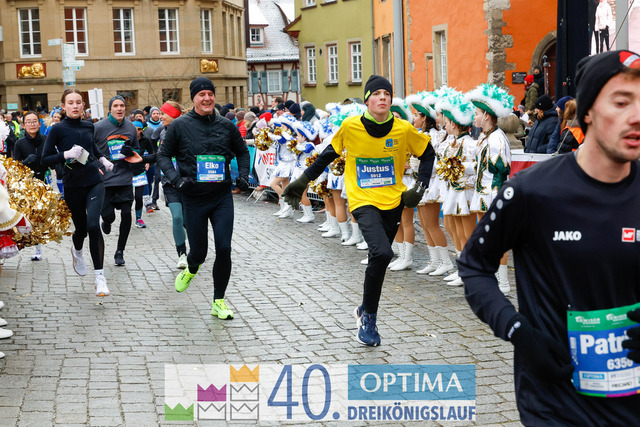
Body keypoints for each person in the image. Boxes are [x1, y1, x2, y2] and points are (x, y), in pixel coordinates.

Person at [459, 49, 640, 425]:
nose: (636, 115)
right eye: (622, 102)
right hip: (555, 403)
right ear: (587, 112)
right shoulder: (531, 191)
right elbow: (474, 266)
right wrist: (518, 330)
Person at [283, 75, 435, 346]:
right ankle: (369, 320)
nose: (382, 97)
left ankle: (364, 309)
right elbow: (328, 154)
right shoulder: (351, 126)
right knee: (383, 252)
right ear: (367, 99)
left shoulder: (402, 129)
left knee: (379, 258)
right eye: (376, 93)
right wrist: (303, 180)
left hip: (393, 200)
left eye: (386, 94)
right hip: (362, 199)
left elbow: (428, 153)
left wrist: (420, 187)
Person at [157, 77, 250, 319]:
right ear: (194, 98)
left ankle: (219, 301)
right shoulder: (180, 126)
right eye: (201, 94)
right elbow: (163, 156)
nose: (207, 98)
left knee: (224, 248)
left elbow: (242, 151)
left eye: (210, 93)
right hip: (194, 198)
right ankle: (191, 268)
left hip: (221, 197)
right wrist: (176, 180)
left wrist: (243, 175)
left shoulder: (226, 125)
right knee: (199, 253)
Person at [42, 89, 114, 297]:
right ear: (63, 106)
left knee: (93, 225)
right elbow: (44, 159)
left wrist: (102, 159)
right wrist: (64, 154)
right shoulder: (57, 129)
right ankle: (77, 251)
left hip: (94, 181)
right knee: (81, 230)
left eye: (78, 102)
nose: (75, 106)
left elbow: (92, 148)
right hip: (73, 184)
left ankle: (100, 278)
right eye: (70, 102)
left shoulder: (89, 125)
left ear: (83, 105)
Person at [93, 95, 140, 267]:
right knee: (108, 215)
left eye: (122, 106)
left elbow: (137, 150)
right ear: (110, 109)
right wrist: (96, 166)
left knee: (127, 214)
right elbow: (90, 150)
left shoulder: (131, 127)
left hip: (124, 178)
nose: (119, 109)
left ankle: (120, 251)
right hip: (105, 180)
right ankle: (107, 221)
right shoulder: (98, 127)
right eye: (116, 106)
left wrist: (130, 152)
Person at [13, 110, 48, 260]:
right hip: (27, 184)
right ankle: (33, 245)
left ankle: (39, 244)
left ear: (39, 124)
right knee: (30, 216)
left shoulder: (47, 139)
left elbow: (54, 158)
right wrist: (26, 162)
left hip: (44, 181)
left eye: (34, 121)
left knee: (41, 215)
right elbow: (15, 167)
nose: (32, 124)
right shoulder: (19, 143)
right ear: (24, 125)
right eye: (28, 122)